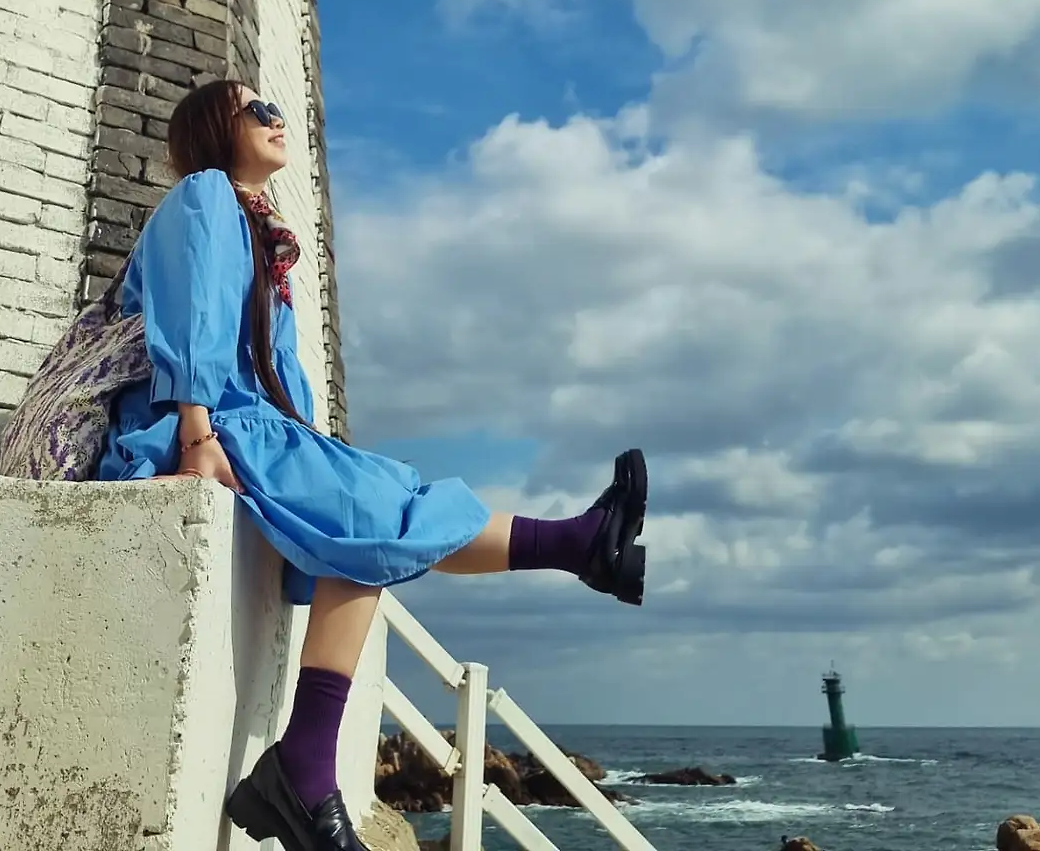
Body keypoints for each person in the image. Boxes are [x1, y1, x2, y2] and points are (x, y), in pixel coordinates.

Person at [56, 80, 647, 851]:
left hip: (250, 426)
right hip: (193, 424)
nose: (276, 118)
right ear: (213, 131)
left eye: (275, 107)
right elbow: (191, 319)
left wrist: (314, 450)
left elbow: (279, 376)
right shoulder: (203, 197)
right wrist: (198, 437)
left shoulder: (259, 232)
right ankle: (573, 547)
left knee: (372, 511)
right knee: (367, 505)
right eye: (255, 110)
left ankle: (303, 765)